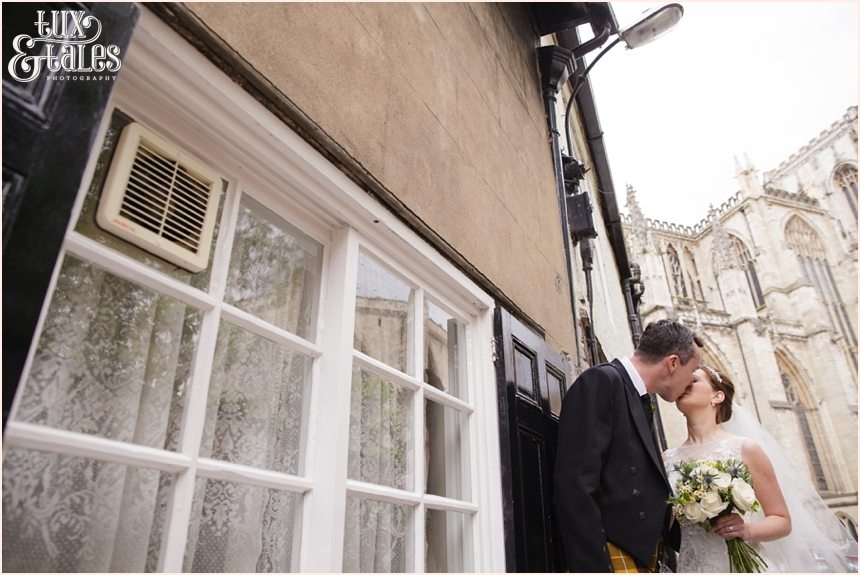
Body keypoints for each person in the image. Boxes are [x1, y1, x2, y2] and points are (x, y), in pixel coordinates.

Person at [664, 366, 856, 572]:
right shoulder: (667, 459)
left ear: (717, 396)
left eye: (693, 380)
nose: (685, 384)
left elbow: (782, 520)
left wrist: (746, 529)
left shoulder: (745, 449)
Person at [554, 319, 704, 572]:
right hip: (610, 553)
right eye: (692, 372)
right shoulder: (601, 382)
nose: (690, 382)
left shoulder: (637, 394)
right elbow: (575, 487)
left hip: (644, 554)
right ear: (673, 363)